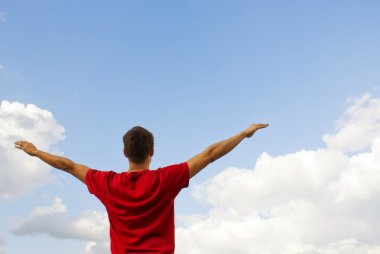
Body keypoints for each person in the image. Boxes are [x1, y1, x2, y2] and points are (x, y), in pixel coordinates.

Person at [15, 123, 268, 253]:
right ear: (152, 152)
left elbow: (69, 166)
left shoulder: (107, 183)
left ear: (125, 152)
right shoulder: (165, 179)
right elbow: (210, 154)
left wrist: (36, 152)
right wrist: (244, 133)